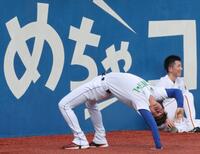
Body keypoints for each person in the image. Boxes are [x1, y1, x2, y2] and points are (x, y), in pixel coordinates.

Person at [58, 72, 184, 150]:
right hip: (107, 88)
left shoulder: (141, 103)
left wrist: (158, 145)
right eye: (162, 111)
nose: (159, 110)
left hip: (101, 86)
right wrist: (180, 107)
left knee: (64, 105)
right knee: (91, 103)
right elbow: (177, 92)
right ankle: (100, 139)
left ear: (150, 113)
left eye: (156, 114)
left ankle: (80, 140)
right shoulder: (156, 92)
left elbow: (152, 124)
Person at [156, 55, 200, 132]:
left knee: (198, 122)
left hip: (178, 115)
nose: (181, 68)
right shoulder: (162, 82)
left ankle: (178, 128)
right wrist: (165, 119)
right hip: (167, 114)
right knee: (187, 95)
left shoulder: (181, 81)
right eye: (178, 66)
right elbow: (156, 104)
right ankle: (192, 126)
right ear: (170, 68)